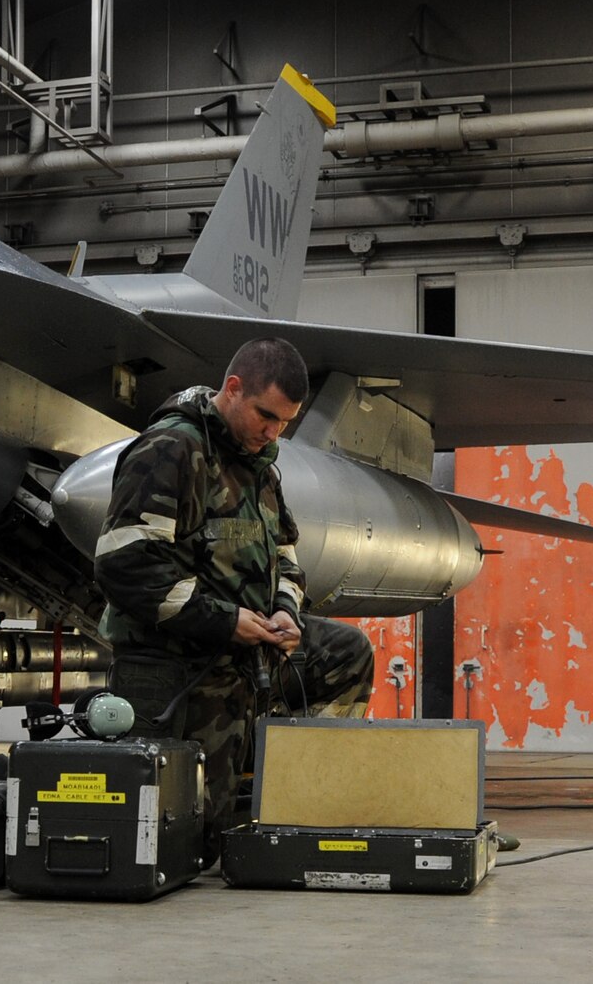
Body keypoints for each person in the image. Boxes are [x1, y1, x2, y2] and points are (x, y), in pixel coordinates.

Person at [93, 336, 374, 861]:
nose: (272, 432)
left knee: (345, 652)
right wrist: (226, 621)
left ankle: (303, 801)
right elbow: (125, 565)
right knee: (195, 844)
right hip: (178, 664)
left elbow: (286, 555)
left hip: (244, 653)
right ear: (233, 388)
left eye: (284, 423)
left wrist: (287, 611)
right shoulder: (170, 450)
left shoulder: (259, 465)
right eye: (265, 416)